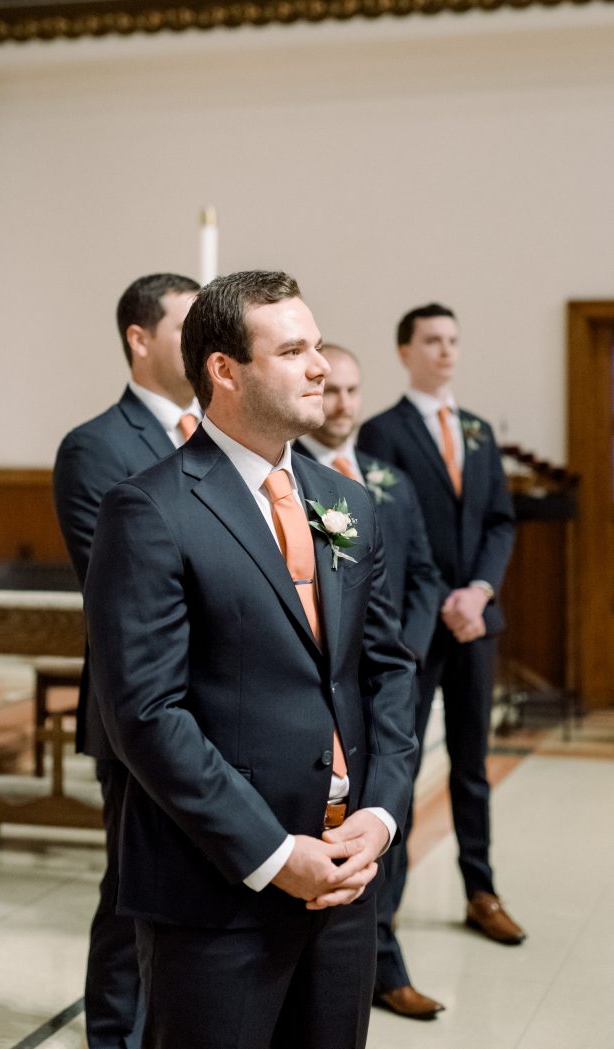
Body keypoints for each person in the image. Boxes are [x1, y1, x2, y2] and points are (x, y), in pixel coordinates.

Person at [83, 271, 418, 1049]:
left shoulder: (348, 504)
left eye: (316, 346)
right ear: (224, 370)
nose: (321, 368)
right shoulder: (150, 508)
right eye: (293, 349)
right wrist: (271, 852)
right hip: (218, 890)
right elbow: (145, 712)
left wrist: (381, 812)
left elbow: (386, 668)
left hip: (344, 878)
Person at [53, 272, 200, 1049]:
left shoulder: (221, 432)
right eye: (187, 325)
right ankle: (112, 1036)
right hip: (138, 707)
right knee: (132, 891)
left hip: (217, 705)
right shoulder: (96, 447)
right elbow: (123, 591)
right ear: (140, 339)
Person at [357, 303, 526, 958]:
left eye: (453, 340)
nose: (447, 351)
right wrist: (435, 604)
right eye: (433, 340)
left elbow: (500, 523)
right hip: (413, 627)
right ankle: (384, 908)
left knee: (471, 762)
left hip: (474, 620)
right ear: (406, 351)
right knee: (398, 763)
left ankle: (480, 888)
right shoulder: (382, 433)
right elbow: (384, 533)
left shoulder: (479, 431)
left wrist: (478, 592)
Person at [296, 342, 445, 1020]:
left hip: (387, 682)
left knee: (389, 819)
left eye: (353, 390)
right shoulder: (287, 480)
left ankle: (383, 955)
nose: (343, 403)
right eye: (331, 389)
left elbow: (423, 576)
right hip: (320, 701)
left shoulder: (387, 482)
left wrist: (400, 657)